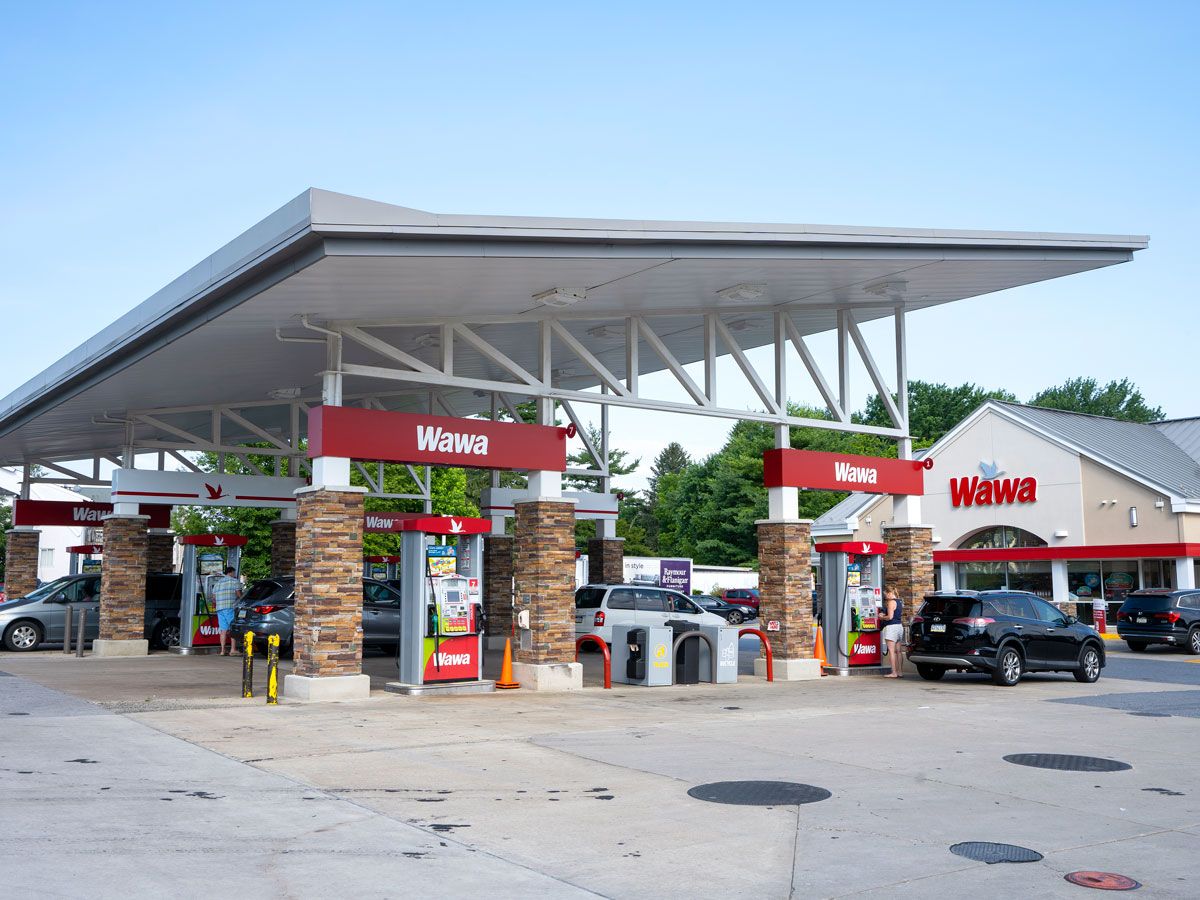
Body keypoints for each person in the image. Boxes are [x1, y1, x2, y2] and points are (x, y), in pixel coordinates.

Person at [210, 566, 243, 656]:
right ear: (231, 572)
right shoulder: (235, 582)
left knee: (223, 630)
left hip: (219, 608)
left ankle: (222, 650)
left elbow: (213, 598)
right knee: (232, 628)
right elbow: (239, 595)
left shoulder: (218, 583)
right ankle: (233, 650)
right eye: (234, 572)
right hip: (230, 607)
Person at [880, 589, 904, 678]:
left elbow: (890, 617)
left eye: (886, 594)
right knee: (898, 651)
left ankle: (893, 672)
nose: (885, 597)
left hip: (891, 627)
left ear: (890, 593)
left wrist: (881, 617)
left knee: (891, 651)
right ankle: (900, 672)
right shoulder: (899, 602)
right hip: (899, 626)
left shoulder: (891, 602)